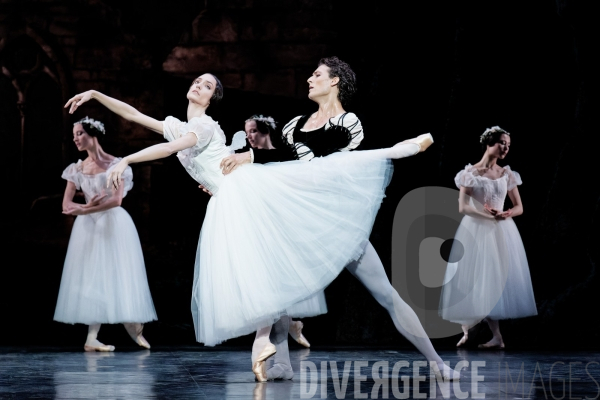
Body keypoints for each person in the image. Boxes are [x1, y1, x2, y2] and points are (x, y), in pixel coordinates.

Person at [63, 70, 451, 382]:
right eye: (197, 80)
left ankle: (434, 361)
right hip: (239, 199)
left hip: (252, 196)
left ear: (213, 98)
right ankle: (276, 357)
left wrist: (125, 160)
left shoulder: (207, 128)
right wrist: (96, 94)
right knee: (270, 278)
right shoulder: (177, 125)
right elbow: (134, 115)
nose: (199, 85)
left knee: (377, 289)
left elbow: (173, 150)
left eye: (208, 85)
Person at [220, 57, 459, 382]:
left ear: (334, 81)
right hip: (302, 224)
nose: (309, 79)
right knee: (277, 292)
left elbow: (323, 159)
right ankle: (284, 363)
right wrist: (240, 166)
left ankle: (436, 362)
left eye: (317, 75)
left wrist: (249, 156)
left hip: (336, 223)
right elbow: (284, 159)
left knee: (386, 295)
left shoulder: (348, 123)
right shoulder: (294, 125)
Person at [54, 117, 157, 352]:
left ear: (93, 134)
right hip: (88, 226)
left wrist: (87, 208)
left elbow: (116, 200)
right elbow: (67, 206)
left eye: (79, 133)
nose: (76, 139)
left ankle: (132, 324)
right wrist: (87, 208)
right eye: (74, 135)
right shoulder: (76, 169)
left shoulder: (116, 165)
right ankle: (92, 337)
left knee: (119, 272)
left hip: (114, 223)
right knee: (92, 275)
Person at [439, 126, 537, 349]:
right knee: (470, 279)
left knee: (492, 280)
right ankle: (468, 329)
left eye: (509, 145)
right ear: (489, 143)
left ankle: (496, 337)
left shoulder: (507, 174)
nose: (506, 148)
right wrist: (486, 213)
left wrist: (506, 213)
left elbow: (519, 206)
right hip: (475, 229)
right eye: (503, 143)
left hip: (501, 230)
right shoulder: (469, 174)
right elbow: (463, 206)